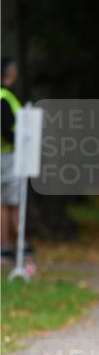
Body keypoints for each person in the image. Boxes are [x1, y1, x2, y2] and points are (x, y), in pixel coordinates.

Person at [1, 57, 22, 264]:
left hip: (6, 156)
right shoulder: (4, 97)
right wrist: (22, 144)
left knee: (8, 202)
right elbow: (6, 128)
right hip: (7, 156)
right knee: (8, 202)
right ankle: (7, 246)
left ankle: (12, 245)